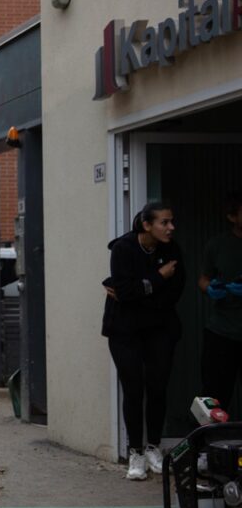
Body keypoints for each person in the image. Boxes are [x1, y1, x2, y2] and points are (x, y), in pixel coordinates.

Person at [101, 201, 184, 480]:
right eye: (164, 222)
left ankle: (153, 447)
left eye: (171, 221)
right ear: (147, 225)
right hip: (124, 331)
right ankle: (135, 453)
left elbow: (175, 291)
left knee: (158, 386)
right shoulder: (123, 248)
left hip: (159, 329)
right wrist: (157, 278)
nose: (171, 227)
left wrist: (138, 291)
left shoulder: (172, 249)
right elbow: (123, 291)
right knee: (133, 388)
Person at [198, 190, 242, 411]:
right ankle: (211, 442)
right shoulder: (217, 245)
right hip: (221, 331)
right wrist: (210, 288)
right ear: (232, 217)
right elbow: (203, 280)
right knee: (215, 396)